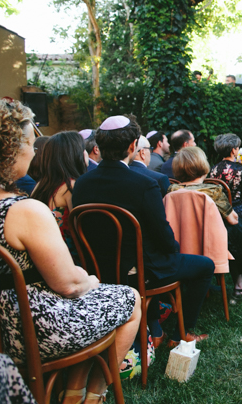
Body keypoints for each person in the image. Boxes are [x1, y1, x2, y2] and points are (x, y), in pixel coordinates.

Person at [0, 98, 141, 404]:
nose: (35, 152)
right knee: (129, 298)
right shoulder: (23, 211)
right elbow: (69, 284)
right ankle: (94, 395)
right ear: (10, 150)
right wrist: (91, 281)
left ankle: (74, 391)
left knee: (91, 301)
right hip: (33, 332)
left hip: (0, 330)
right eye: (31, 145)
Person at [73, 115, 214, 347]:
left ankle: (155, 330)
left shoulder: (82, 183)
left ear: (100, 147)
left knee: (154, 257)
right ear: (132, 146)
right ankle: (182, 334)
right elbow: (162, 235)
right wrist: (174, 249)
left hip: (99, 270)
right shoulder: (143, 183)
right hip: (138, 272)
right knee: (204, 265)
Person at [167, 147, 242, 295]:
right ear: (203, 165)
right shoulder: (212, 191)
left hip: (181, 241)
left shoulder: (171, 190)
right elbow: (233, 219)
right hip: (210, 243)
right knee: (239, 231)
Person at [30, 131, 87, 252]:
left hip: (43, 252)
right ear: (76, 155)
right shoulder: (70, 186)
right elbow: (80, 230)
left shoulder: (40, 185)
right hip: (68, 255)